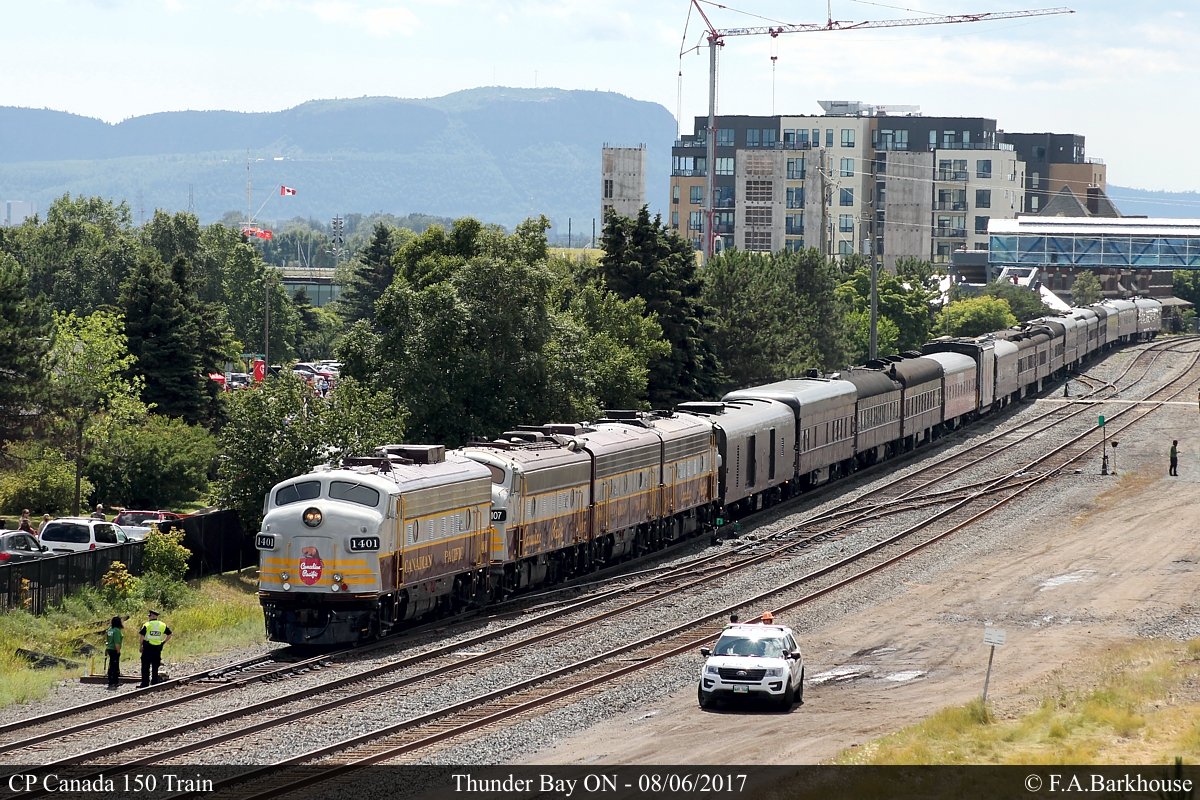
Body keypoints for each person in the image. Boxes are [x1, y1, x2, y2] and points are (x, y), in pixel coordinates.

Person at [138, 610, 172, 688]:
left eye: (149, 616)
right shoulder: (163, 625)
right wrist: (163, 642)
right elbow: (170, 634)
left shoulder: (147, 625)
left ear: (153, 616)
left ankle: (145, 683)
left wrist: (140, 646)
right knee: (155, 666)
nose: (149, 617)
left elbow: (142, 636)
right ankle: (154, 682)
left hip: (148, 647)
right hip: (157, 648)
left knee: (145, 666)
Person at [105, 616, 123, 689]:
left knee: (111, 664)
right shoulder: (116, 630)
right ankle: (114, 681)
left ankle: (111, 680)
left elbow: (107, 640)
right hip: (114, 649)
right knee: (114, 665)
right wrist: (118, 651)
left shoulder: (110, 629)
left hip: (109, 648)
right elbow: (117, 642)